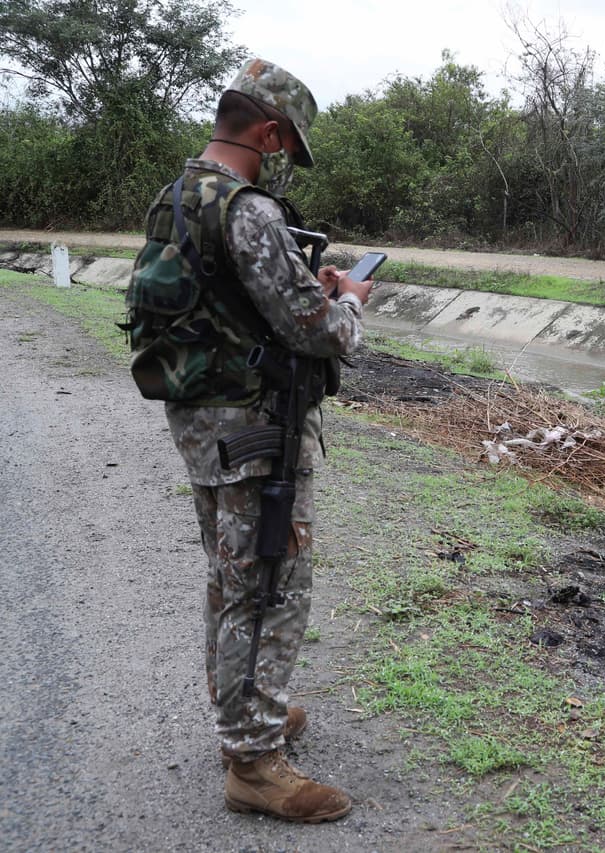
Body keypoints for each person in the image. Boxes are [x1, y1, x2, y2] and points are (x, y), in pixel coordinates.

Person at [123, 59, 372, 822]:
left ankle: (246, 708)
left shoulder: (179, 194)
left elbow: (231, 302)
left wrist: (308, 287)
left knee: (230, 579)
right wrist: (350, 300)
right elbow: (317, 331)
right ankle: (255, 761)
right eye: (286, 146)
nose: (283, 162)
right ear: (267, 130)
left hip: (204, 423)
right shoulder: (249, 210)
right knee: (268, 589)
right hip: (252, 432)